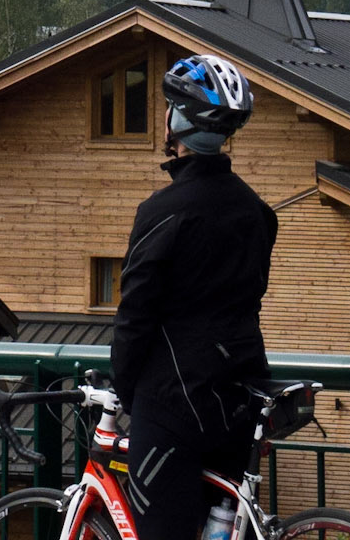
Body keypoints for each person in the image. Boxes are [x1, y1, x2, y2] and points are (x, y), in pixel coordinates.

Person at [110, 53, 279, 540]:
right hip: (240, 396)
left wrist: (127, 392)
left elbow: (134, 315)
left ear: (176, 122)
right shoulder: (257, 212)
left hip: (173, 404)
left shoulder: (161, 211)